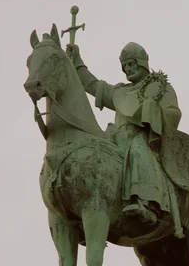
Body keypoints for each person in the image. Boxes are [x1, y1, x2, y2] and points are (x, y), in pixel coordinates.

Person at [66, 41, 182, 225]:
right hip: (116, 136)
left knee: (137, 149)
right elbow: (93, 85)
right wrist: (76, 61)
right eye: (125, 66)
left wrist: (153, 110)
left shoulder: (161, 87)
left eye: (131, 64)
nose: (128, 69)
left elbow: (173, 115)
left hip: (144, 137)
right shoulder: (121, 91)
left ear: (142, 62)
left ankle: (147, 203)